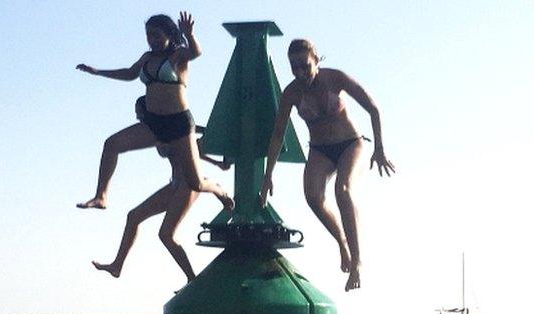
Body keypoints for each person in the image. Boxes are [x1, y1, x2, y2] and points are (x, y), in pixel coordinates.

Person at [260, 39, 395, 291]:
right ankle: (341, 241)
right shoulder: (291, 93)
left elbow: (373, 108)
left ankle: (357, 261)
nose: (299, 72)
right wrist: (268, 175)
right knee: (312, 197)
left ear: (317, 60)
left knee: (342, 190)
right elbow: (277, 134)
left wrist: (379, 148)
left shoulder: (336, 79)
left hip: (350, 144)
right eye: (294, 67)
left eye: (305, 65)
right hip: (320, 149)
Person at [75, 12, 232, 211]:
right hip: (154, 124)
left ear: (169, 34)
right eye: (149, 36)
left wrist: (190, 35)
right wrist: (97, 72)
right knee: (111, 144)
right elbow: (130, 74)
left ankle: (218, 190)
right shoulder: (147, 58)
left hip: (179, 124)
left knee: (195, 183)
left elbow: (196, 52)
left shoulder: (178, 55)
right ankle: (101, 197)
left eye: (157, 35)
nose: (152, 40)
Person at [92, 98, 230, 283]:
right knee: (133, 217)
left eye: (139, 113)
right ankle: (117, 266)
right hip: (174, 184)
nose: (137, 117)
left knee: (166, 235)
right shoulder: (153, 133)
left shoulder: (172, 128)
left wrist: (218, 160)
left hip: (188, 185)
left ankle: (192, 279)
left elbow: (194, 144)